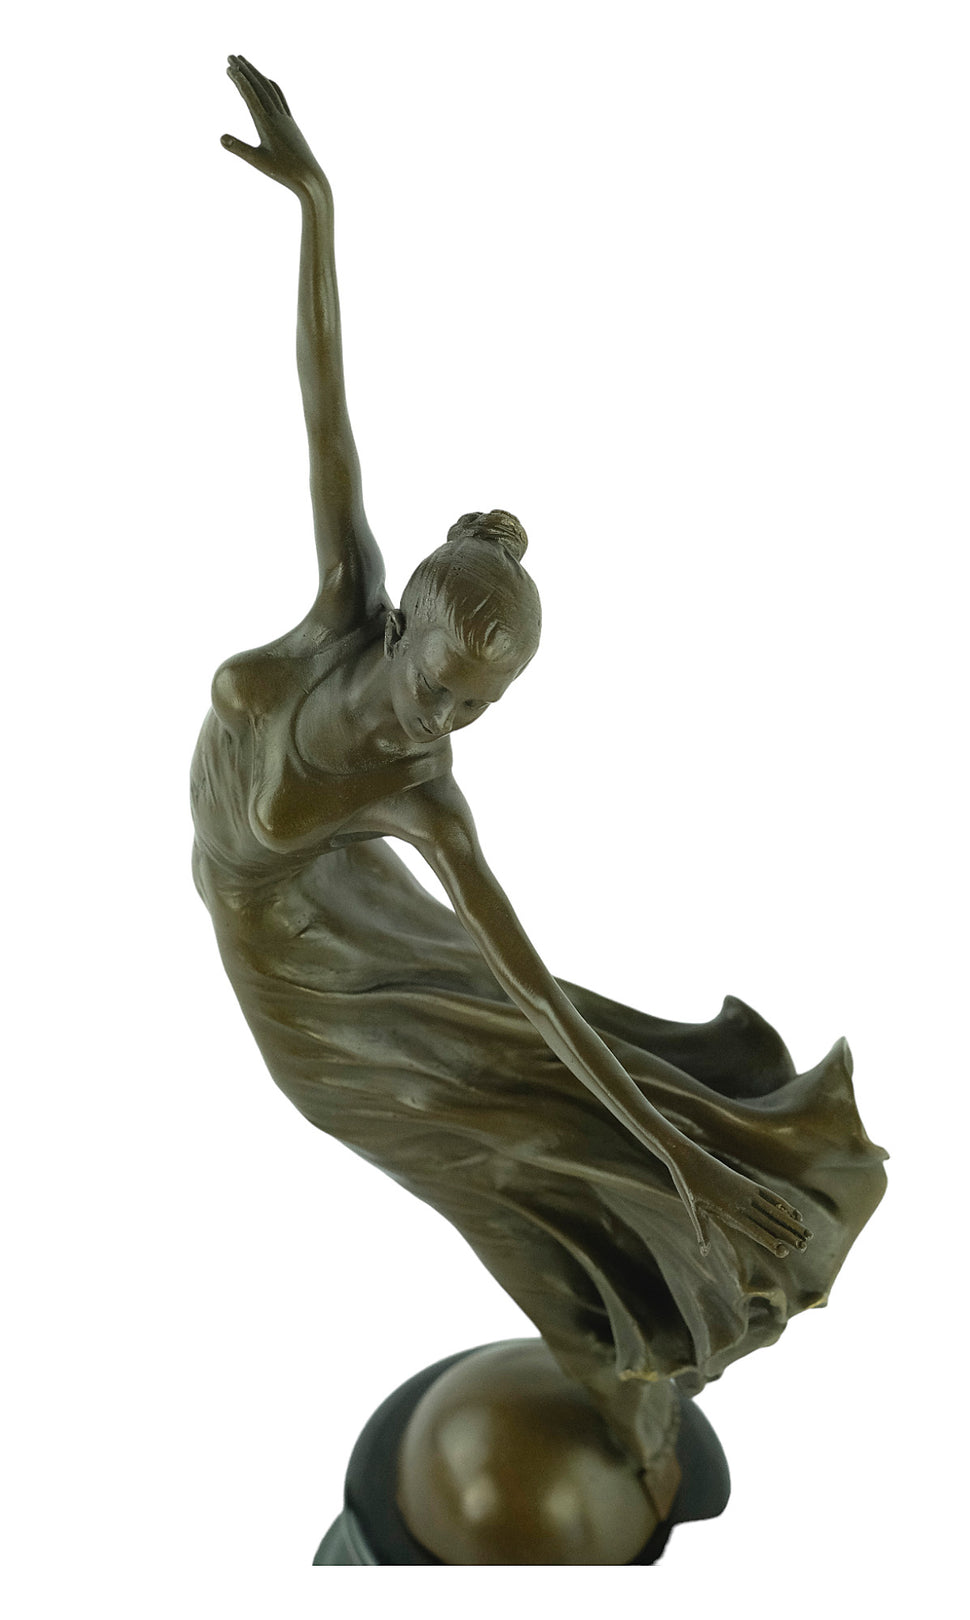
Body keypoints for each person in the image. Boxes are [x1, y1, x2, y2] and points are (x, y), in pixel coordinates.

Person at [192, 56, 886, 1515]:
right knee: (493, 1122)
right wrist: (317, 206)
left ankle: (625, 1357)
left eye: (479, 707)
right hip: (300, 921)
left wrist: (681, 1157)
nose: (450, 716)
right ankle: (621, 1327)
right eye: (446, 683)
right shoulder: (342, 603)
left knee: (494, 1138)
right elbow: (325, 402)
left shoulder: (426, 797)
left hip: (322, 990)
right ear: (408, 623)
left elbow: (542, 1002)